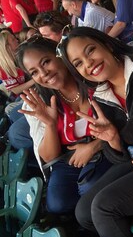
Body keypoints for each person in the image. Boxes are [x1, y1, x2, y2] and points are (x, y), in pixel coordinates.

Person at [57, 26, 133, 237]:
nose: (88, 64)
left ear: (107, 45)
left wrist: (130, 141)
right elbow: (118, 156)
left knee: (103, 207)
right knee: (83, 213)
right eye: (78, 63)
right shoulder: (100, 96)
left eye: (90, 50)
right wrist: (112, 139)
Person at [16, 36, 113, 214]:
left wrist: (93, 147)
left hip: (108, 148)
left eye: (45, 62)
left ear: (60, 55)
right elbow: (48, 156)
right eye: (34, 72)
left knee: (87, 190)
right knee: (57, 204)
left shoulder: (92, 77)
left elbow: (125, 124)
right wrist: (50, 124)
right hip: (69, 157)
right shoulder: (40, 102)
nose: (43, 74)